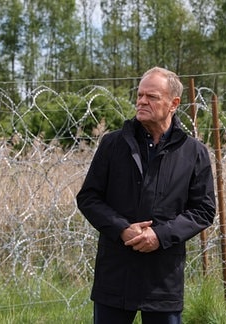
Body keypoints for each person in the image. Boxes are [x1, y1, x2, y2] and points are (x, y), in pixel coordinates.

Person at [76, 67, 216, 324]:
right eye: (139, 95)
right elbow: (88, 197)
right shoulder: (114, 144)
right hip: (116, 272)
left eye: (151, 96)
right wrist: (122, 229)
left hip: (162, 277)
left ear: (174, 103)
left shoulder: (193, 152)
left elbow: (204, 210)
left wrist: (160, 235)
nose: (141, 101)